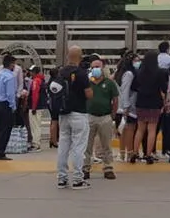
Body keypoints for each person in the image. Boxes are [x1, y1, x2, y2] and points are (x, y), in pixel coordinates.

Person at [55, 46, 93, 190]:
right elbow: (88, 94)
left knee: (63, 146)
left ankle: (62, 178)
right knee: (78, 147)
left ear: (67, 56)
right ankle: (77, 178)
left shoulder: (61, 72)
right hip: (79, 113)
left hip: (63, 114)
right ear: (80, 56)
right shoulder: (82, 73)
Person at [83, 59, 118, 180]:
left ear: (103, 68)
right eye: (93, 67)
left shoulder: (109, 83)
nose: (95, 69)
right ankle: (85, 168)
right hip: (90, 116)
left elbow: (115, 99)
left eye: (98, 67)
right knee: (87, 144)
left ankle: (108, 168)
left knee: (106, 144)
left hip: (105, 116)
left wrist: (113, 114)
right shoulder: (87, 83)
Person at [131, 51, 168, 164]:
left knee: (140, 129)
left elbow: (134, 86)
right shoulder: (160, 72)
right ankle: (148, 155)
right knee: (152, 129)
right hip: (154, 102)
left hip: (141, 102)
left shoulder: (139, 72)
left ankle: (135, 153)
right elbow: (164, 88)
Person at [0, 54, 18, 161]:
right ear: (11, 64)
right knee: (5, 130)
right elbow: (10, 94)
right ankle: (0, 152)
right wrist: (13, 106)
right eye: (14, 64)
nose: (15, 66)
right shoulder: (10, 76)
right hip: (6, 104)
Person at [115, 52, 140, 162]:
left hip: (121, 106)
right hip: (128, 106)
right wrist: (126, 106)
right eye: (136, 60)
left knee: (123, 131)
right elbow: (125, 90)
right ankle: (129, 153)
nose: (138, 63)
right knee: (129, 130)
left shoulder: (119, 73)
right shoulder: (129, 74)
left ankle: (122, 154)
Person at [28, 66, 48, 151]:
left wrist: (33, 107)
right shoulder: (41, 80)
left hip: (35, 107)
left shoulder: (36, 81)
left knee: (35, 126)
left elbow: (35, 95)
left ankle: (36, 144)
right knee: (37, 125)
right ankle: (36, 143)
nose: (30, 73)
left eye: (31, 71)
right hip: (39, 106)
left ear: (34, 72)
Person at [47, 68, 60, 148]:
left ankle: (52, 139)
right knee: (55, 121)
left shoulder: (50, 82)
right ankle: (54, 141)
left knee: (53, 121)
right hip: (55, 103)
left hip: (51, 103)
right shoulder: (55, 83)